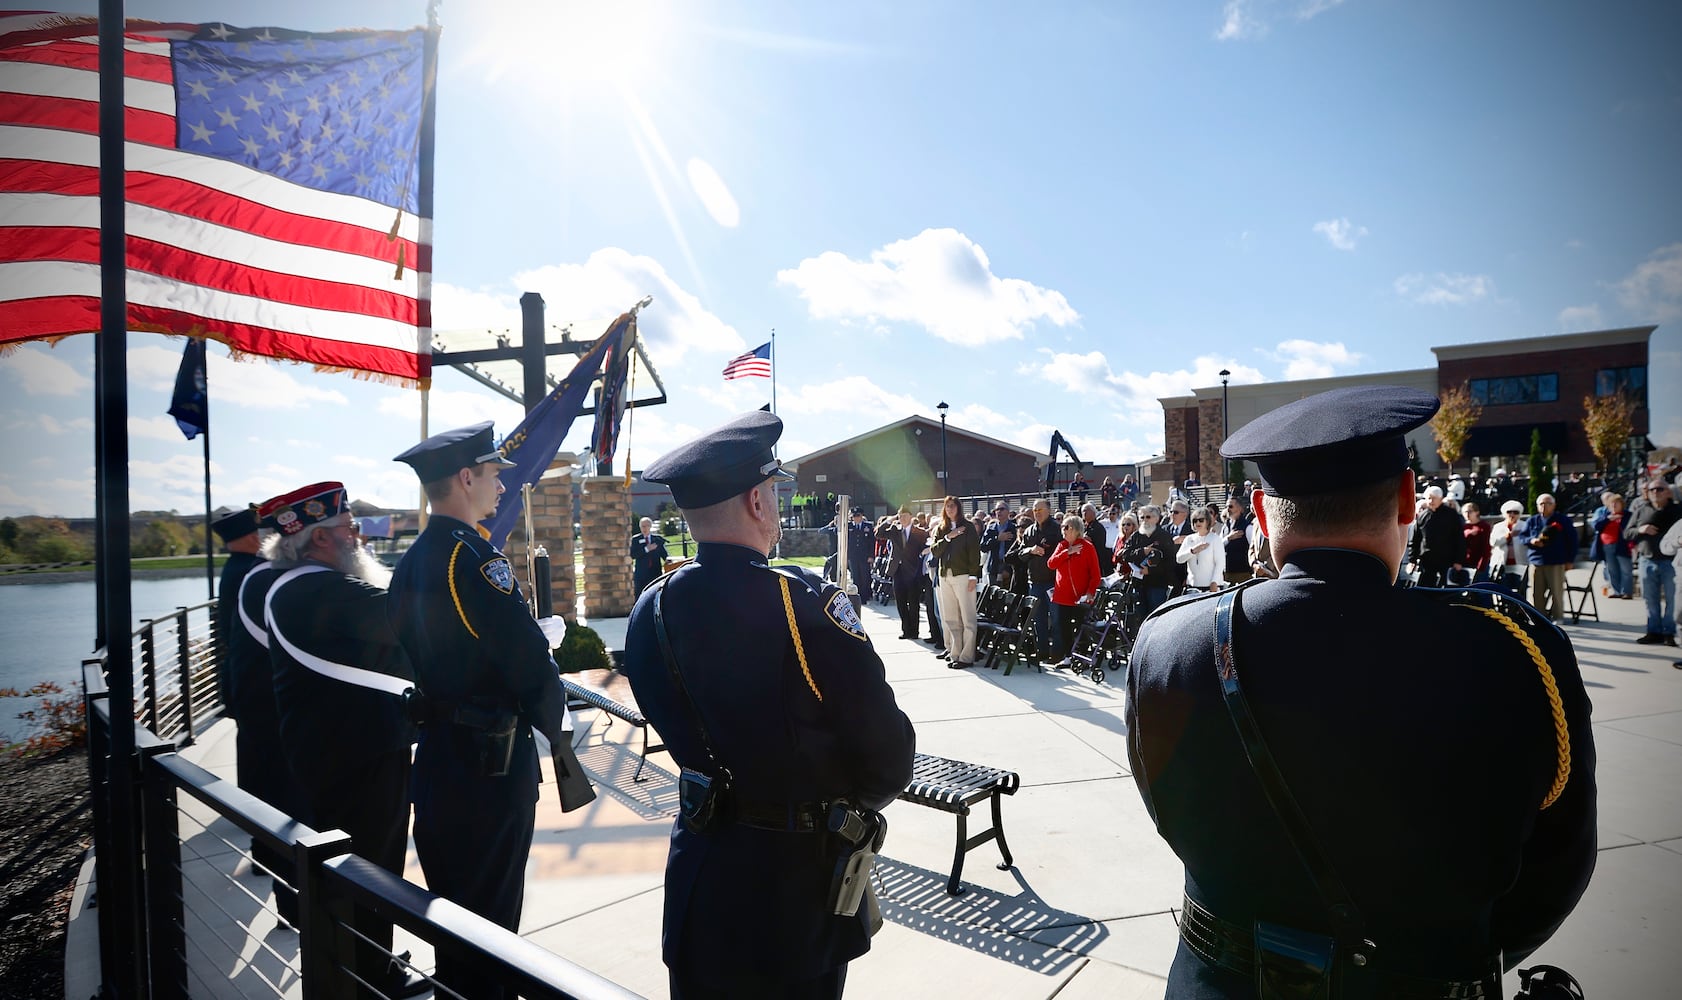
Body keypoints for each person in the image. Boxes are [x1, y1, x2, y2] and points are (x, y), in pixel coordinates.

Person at [1128, 385, 1596, 995]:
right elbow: (1558, 866)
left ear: (1264, 513)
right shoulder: (1516, 650)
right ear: (1407, 500)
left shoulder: (1170, 641)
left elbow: (1171, 812)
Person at [623, 410, 916, 999]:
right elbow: (888, 758)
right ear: (758, 501)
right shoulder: (802, 604)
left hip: (701, 882)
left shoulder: (651, 608)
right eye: (774, 494)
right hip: (794, 895)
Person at [387, 422, 579, 1000]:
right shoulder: (473, 559)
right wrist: (559, 727)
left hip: (441, 761)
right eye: (494, 473)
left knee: (455, 921)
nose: (502, 484)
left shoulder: (413, 560)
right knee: (492, 929)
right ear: (466, 477)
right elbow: (526, 666)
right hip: (490, 768)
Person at [260, 482, 424, 999]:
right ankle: (368, 979)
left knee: (367, 868)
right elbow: (400, 617)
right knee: (370, 870)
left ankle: (366, 966)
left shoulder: (304, 586)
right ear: (317, 539)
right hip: (356, 759)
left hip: (351, 752)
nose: (360, 538)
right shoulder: (314, 589)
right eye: (350, 529)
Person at [212, 506, 264, 716]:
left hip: (241, 674)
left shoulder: (236, 566)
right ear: (254, 538)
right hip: (256, 679)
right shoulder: (253, 570)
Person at [929, 495, 981, 669]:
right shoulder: (941, 528)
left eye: (953, 506)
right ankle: (955, 653)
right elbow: (935, 551)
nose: (950, 509)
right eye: (947, 506)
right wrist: (949, 537)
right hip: (945, 576)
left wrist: (973, 576)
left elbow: (974, 553)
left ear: (958, 508)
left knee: (967, 617)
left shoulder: (967, 528)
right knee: (951, 617)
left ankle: (966, 656)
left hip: (963, 576)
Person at [1627, 480, 1680, 646]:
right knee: (1650, 599)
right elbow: (1627, 533)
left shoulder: (1678, 510)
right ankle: (1653, 631)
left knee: (1672, 600)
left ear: (1668, 492)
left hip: (1671, 563)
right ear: (1648, 492)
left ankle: (1669, 633)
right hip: (1647, 560)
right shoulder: (1641, 510)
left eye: (1660, 489)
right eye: (1652, 489)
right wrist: (1640, 530)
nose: (1656, 492)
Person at [1046, 514, 1100, 667]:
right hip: (1062, 596)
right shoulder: (1062, 545)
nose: (1063, 530)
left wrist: (1090, 591)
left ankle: (1082, 656)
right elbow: (1051, 564)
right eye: (1062, 527)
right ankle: (1069, 656)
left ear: (1076, 529)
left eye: (1067, 527)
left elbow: (1095, 574)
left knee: (1082, 627)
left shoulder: (1088, 547)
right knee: (1064, 628)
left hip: (1081, 597)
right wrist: (1067, 552)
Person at [1008, 498, 1059, 660]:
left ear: (1048, 510)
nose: (1037, 513)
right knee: (1039, 619)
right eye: (1035, 510)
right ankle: (1042, 652)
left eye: (1040, 510)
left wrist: (1044, 551)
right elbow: (1020, 554)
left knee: (1056, 618)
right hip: (1035, 581)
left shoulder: (1056, 529)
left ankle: (1057, 653)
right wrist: (1031, 550)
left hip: (1053, 581)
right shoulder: (1029, 531)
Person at [1521, 493, 1577, 623]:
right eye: (1541, 504)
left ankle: (1558, 616)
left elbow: (1572, 540)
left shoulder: (1562, 520)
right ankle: (1538, 617)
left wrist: (1570, 560)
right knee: (1536, 592)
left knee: (1556, 591)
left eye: (1548, 503)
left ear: (1554, 505)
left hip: (1556, 561)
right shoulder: (1532, 520)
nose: (1544, 506)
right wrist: (1532, 540)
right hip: (1536, 560)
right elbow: (1523, 537)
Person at [876, 506, 930, 641]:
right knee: (900, 601)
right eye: (900, 516)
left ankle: (914, 630)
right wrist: (890, 520)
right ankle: (906, 629)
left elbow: (926, 547)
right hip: (898, 570)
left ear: (911, 517)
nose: (902, 519)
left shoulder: (920, 532)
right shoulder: (894, 530)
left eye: (905, 516)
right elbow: (878, 533)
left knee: (913, 602)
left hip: (913, 571)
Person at [1119, 505, 1175, 617]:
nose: (1144, 520)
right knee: (1139, 617)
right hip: (1138, 584)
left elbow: (1170, 562)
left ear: (1156, 519)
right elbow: (1125, 554)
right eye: (1142, 517)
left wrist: (1150, 571)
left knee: (1156, 617)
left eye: (1148, 517)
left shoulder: (1164, 536)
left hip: (1157, 584)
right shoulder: (1136, 536)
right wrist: (1142, 551)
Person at [1407, 485, 1466, 588]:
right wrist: (1412, 560)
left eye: (1434, 498)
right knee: (1426, 588)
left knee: (1446, 589)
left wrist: (1458, 560)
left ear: (1441, 499)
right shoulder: (1422, 515)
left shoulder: (1451, 515)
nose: (1431, 501)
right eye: (1429, 498)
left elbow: (1459, 539)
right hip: (1426, 559)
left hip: (1447, 559)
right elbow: (1415, 539)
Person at [1591, 493, 1634, 599]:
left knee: (1626, 569)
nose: (1614, 506)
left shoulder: (1628, 515)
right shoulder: (1605, 515)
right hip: (1607, 546)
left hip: (1622, 546)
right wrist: (1608, 519)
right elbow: (1597, 526)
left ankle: (1626, 592)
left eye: (1616, 503)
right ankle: (1617, 591)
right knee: (1612, 570)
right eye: (1612, 504)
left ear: (1622, 504)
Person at [1174, 508, 1225, 593]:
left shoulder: (1215, 539)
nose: (1197, 523)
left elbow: (1220, 563)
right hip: (1192, 587)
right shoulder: (1189, 539)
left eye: (1201, 520)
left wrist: (1214, 582)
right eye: (1195, 520)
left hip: (1211, 587)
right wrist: (1193, 551)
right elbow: (1179, 559)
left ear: (1207, 521)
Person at [1489, 499, 1527, 593]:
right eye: (1509, 512)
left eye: (1516, 512)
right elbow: (1493, 542)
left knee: (1521, 591)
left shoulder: (1525, 526)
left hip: (1520, 563)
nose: (1512, 514)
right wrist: (1507, 537)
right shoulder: (1498, 526)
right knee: (1503, 591)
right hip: (1502, 564)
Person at [631, 516, 670, 595]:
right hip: (641, 574)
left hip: (655, 573)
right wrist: (646, 549)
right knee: (639, 595)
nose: (644, 529)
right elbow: (632, 555)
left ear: (650, 526)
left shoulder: (657, 539)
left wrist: (668, 560)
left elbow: (664, 555)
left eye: (646, 526)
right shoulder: (635, 539)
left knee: (654, 594)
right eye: (642, 526)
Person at [1220, 496, 1254, 586]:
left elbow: (1253, 548)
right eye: (1226, 506)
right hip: (1227, 572)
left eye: (1230, 506)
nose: (1228, 509)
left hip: (1243, 573)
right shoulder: (1225, 526)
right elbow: (1218, 545)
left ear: (1240, 509)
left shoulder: (1247, 527)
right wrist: (1228, 538)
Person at [1460, 500, 1492, 583]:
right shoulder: (1463, 527)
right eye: (1464, 512)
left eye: (1470, 512)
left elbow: (1485, 546)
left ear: (1476, 512)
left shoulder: (1484, 526)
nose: (1467, 514)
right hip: (1465, 562)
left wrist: (1481, 564)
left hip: (1479, 561)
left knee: (1481, 589)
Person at [846, 508, 875, 598]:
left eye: (858, 516)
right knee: (855, 576)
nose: (856, 518)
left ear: (862, 516)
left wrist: (871, 556)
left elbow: (872, 542)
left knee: (865, 576)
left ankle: (865, 595)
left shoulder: (868, 526)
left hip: (865, 556)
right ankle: (857, 596)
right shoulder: (848, 526)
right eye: (854, 516)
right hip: (853, 556)